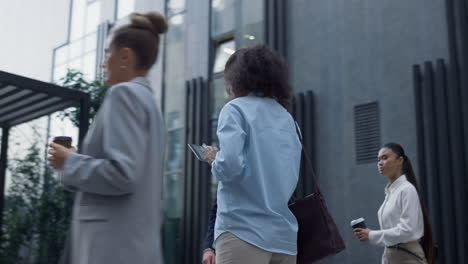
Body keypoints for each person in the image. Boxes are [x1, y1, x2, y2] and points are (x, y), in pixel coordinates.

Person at [48, 11, 168, 264]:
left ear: (125, 56)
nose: (103, 63)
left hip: (111, 247)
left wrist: (69, 161)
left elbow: (122, 174)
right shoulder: (151, 107)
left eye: (106, 54)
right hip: (133, 246)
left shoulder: (123, 95)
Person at [202, 45, 302, 264]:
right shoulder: (287, 119)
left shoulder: (235, 109)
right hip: (283, 236)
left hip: (242, 231)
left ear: (237, 79)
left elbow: (229, 167)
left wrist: (213, 159)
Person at [354, 143, 435, 264]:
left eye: (385, 158)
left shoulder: (407, 189)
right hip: (391, 256)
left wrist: (372, 235)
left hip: (407, 257)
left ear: (400, 160)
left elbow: (408, 230)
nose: (380, 163)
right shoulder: (391, 192)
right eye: (379, 159)